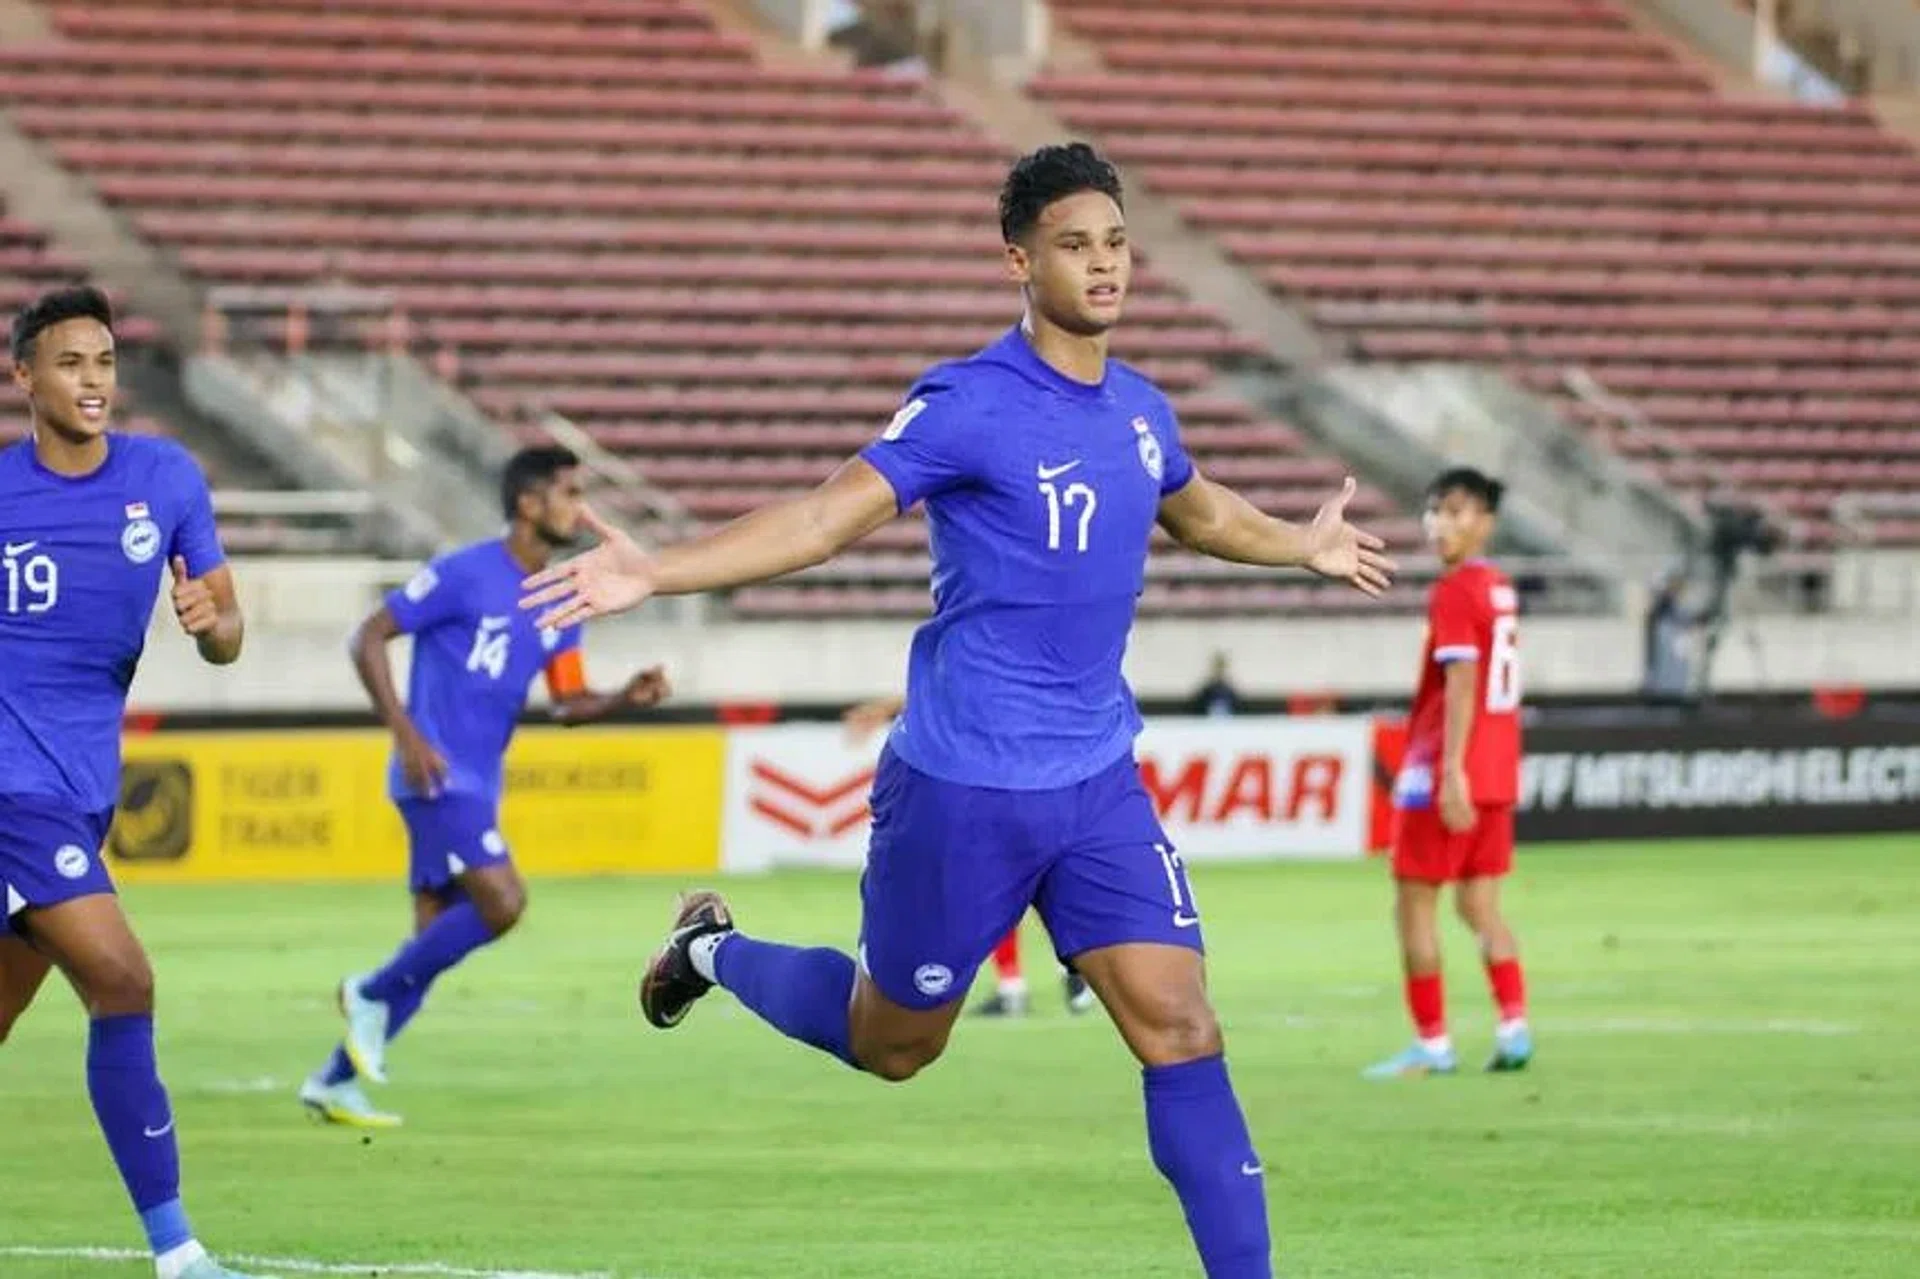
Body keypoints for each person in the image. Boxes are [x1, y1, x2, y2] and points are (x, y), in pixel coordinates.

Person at [521, 143, 1393, 1278]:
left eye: (1116, 243)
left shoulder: (1140, 411)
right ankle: (712, 950)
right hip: (962, 786)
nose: (1104, 264)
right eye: (1074, 245)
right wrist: (659, 570)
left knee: (1182, 1025)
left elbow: (1199, 510)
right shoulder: (967, 402)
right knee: (893, 1044)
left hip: (1096, 784)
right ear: (1019, 261)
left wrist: (1300, 543)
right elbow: (824, 519)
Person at [0, 285, 260, 1279]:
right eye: (70, 363)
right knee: (123, 979)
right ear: (25, 376)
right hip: (11, 788)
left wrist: (211, 621)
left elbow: (228, 629)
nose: (93, 381)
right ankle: (179, 1253)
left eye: (104, 362)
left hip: (80, 793)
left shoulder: (167, 476)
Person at [300, 447, 671, 1128]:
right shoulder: (463, 572)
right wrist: (405, 733)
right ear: (529, 503)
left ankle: (335, 1082)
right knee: (503, 901)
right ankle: (367, 992)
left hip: (475, 783)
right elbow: (368, 637)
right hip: (436, 775)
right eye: (569, 493)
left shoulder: (563, 596)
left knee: (431, 943)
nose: (580, 508)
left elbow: (567, 703)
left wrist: (625, 696)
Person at [1365, 467, 1530, 1079]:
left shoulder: (1455, 590)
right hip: (1498, 772)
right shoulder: (1499, 588)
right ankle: (1514, 1027)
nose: (1440, 524)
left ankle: (1432, 1042)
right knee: (1480, 905)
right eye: (1435, 510)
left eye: (1456, 512)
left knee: (1414, 908)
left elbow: (1461, 683)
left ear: (1485, 522)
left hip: (1444, 771)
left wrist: (1451, 771)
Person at [843, 694, 1096, 1018]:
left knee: (997, 885)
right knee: (1023, 883)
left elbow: (950, 689)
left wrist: (884, 710)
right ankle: (1057, 971)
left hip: (995, 786)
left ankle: (1027, 981)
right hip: (1026, 784)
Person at [1190, 651, 1241, 718]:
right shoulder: (1206, 692)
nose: (1219, 670)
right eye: (1217, 667)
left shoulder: (1230, 692)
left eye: (1221, 667)